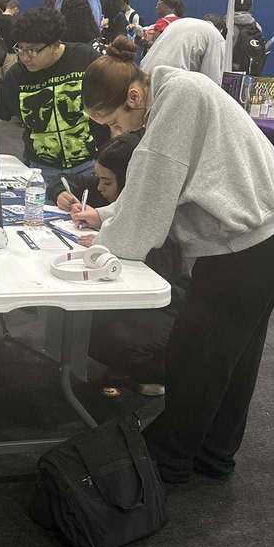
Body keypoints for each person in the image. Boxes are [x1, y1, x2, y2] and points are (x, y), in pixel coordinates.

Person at [73, 36, 274, 484]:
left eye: (115, 123)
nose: (118, 134)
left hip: (242, 251)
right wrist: (104, 216)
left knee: (198, 360)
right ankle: (214, 457)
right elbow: (153, 192)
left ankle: (168, 464)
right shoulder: (180, 90)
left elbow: (146, 221)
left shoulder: (177, 102)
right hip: (265, 241)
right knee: (232, 361)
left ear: (134, 96)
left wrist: (104, 240)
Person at [53, 132, 183, 398]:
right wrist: (63, 195)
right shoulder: (108, 185)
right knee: (77, 322)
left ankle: (154, 369)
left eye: (106, 182)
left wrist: (107, 241)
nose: (99, 188)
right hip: (146, 303)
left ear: (129, 182)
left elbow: (152, 275)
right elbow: (63, 182)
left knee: (90, 328)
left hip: (169, 310)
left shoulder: (159, 219)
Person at [0, 6, 102, 186]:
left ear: (55, 44)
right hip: (42, 169)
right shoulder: (16, 75)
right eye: (20, 49)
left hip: (90, 164)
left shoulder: (86, 59)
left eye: (33, 50)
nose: (25, 57)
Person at [140, 17, 225, 85]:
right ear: (221, 31)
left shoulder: (181, 22)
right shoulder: (216, 37)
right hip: (169, 84)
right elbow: (211, 83)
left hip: (143, 77)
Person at [230, 0, 267, 75]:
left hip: (230, 68)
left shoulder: (226, 24)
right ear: (250, 6)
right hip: (248, 69)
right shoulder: (256, 26)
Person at [0, 0, 20, 77]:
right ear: (15, 8)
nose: (17, 13)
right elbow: (16, 41)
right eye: (17, 11)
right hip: (10, 55)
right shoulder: (15, 22)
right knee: (10, 80)